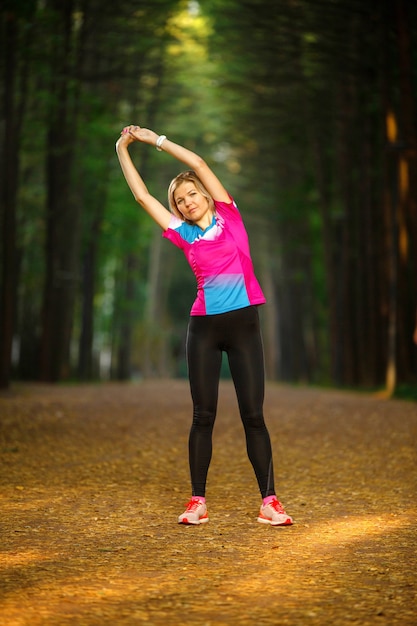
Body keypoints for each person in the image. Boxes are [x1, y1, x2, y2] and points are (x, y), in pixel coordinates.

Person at [115, 124, 293, 527]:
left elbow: (196, 162)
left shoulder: (230, 215)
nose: (188, 201)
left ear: (205, 195)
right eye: (180, 200)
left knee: (254, 416)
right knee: (202, 416)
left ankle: (270, 503)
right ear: (177, 210)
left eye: (192, 193)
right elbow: (141, 195)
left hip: (245, 325)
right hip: (204, 330)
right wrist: (122, 148)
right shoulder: (183, 235)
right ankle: (197, 502)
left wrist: (153, 140)